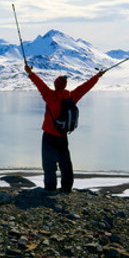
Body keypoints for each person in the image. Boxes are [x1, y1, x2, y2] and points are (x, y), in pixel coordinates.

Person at [25, 63, 104, 192]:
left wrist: (30, 73)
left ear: (55, 85)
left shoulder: (49, 96)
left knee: (49, 164)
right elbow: (85, 87)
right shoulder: (72, 97)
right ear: (65, 86)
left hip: (49, 136)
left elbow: (39, 84)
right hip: (63, 136)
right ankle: (66, 188)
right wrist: (97, 76)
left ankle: (50, 188)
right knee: (65, 163)